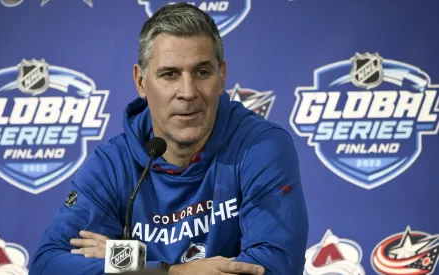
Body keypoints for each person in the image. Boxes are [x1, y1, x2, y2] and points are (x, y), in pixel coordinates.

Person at [29, 3, 309, 275]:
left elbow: (272, 267)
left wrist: (133, 264)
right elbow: (48, 263)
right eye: (170, 74)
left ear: (222, 76)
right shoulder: (112, 164)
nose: (187, 92)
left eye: (202, 72)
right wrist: (169, 270)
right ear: (141, 82)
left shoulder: (260, 146)